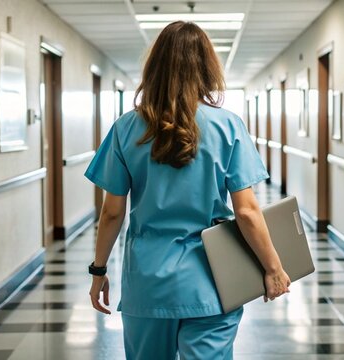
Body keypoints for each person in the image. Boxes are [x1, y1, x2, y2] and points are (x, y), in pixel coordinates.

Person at [84, 21, 291, 360]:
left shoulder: (125, 128)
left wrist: (99, 271)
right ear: (207, 68)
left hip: (147, 284)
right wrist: (272, 267)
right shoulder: (228, 126)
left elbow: (111, 213)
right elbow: (247, 211)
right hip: (212, 279)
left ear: (154, 68)